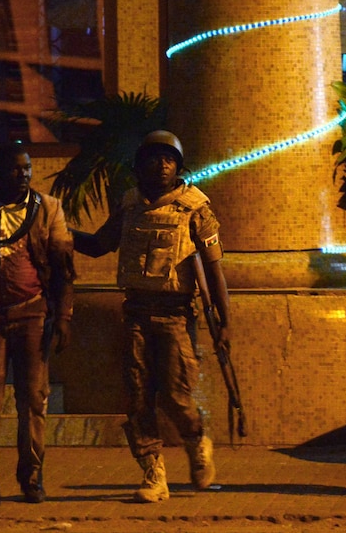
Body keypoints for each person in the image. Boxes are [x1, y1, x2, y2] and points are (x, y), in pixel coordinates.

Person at [72, 130, 231, 503]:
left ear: (178, 166)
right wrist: (58, 230)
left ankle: (196, 440)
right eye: (153, 159)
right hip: (136, 314)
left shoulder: (195, 209)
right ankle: (153, 473)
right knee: (138, 398)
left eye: (168, 159)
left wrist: (225, 324)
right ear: (139, 166)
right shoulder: (129, 206)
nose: (161, 166)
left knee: (177, 397)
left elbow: (214, 270)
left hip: (175, 316)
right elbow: (98, 245)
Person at [0, 143, 76, 508]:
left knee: (33, 403)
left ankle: (31, 478)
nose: (23, 175)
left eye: (27, 168)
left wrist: (64, 317)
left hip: (32, 316)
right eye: (14, 169)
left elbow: (63, 266)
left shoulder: (48, 208)